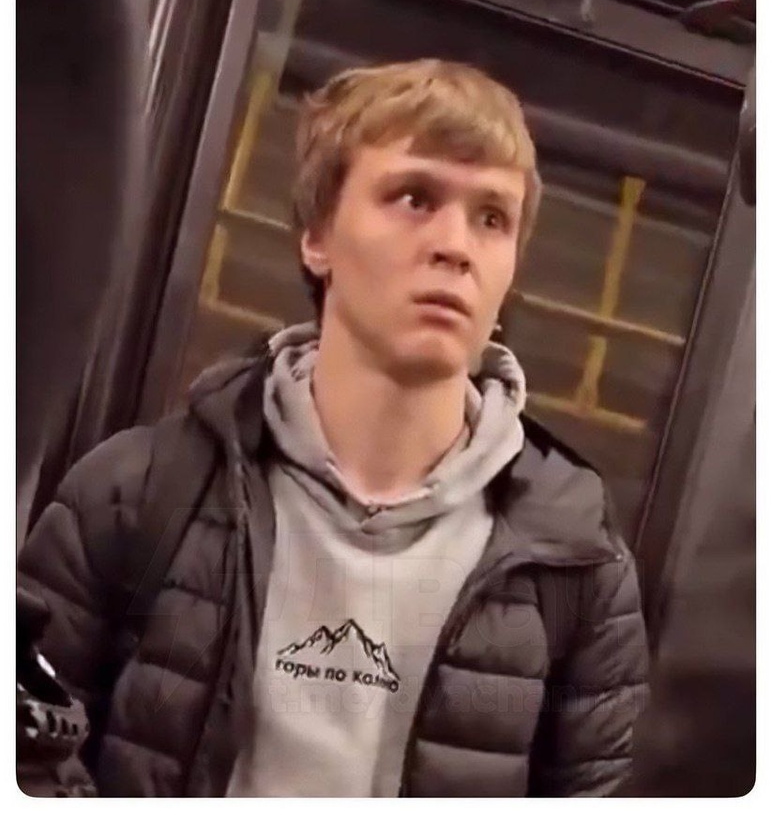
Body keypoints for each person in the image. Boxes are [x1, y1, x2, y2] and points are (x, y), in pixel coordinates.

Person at [18, 59, 649, 797]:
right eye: (414, 197)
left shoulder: (576, 561)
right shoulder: (138, 494)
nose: (456, 246)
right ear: (317, 236)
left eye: (492, 218)